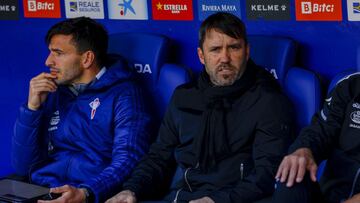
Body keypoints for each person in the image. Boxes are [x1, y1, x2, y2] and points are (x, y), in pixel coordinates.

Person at [106, 12, 294, 203]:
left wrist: (215, 200)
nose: (225, 58)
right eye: (215, 50)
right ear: (201, 56)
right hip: (180, 197)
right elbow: (158, 157)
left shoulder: (268, 101)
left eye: (234, 48)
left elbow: (268, 174)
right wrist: (132, 190)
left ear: (247, 51)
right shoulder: (184, 96)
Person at [12, 17, 151, 203]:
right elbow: (23, 167)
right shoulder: (51, 91)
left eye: (58, 53)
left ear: (87, 58)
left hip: (90, 193)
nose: (48, 61)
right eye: (50, 53)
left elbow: (127, 160)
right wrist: (32, 109)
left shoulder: (125, 94)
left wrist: (87, 192)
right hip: (44, 190)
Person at [274, 73, 360, 203]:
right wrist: (304, 149)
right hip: (333, 195)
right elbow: (320, 131)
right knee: (293, 173)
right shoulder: (349, 86)